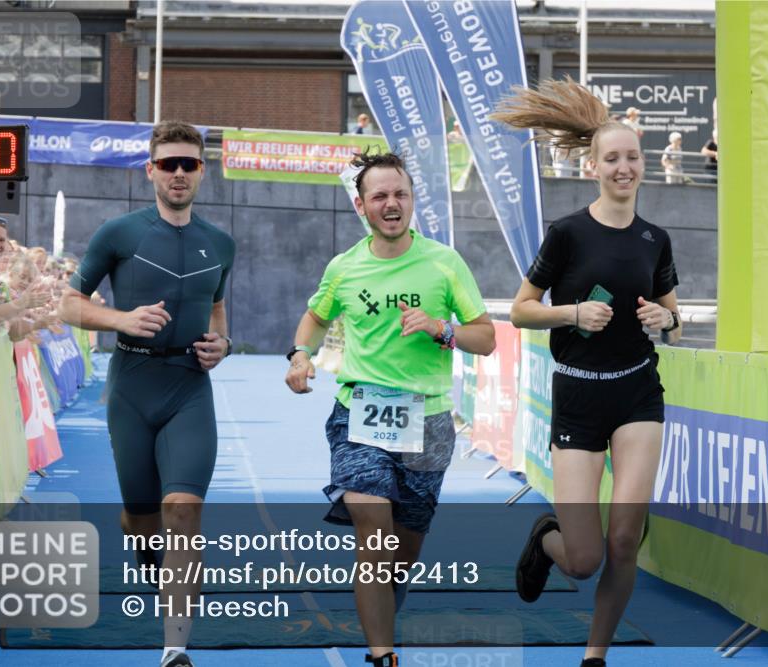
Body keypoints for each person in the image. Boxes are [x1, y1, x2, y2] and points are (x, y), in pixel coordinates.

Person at [492, 78, 681, 667]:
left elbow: (675, 319)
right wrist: (572, 313)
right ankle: (545, 539)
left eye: (633, 158)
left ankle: (594, 656)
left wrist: (666, 320)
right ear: (592, 167)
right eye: (613, 159)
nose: (624, 168)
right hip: (577, 398)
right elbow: (520, 310)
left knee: (623, 540)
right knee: (584, 558)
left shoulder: (655, 239)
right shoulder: (568, 233)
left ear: (642, 164)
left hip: (638, 395)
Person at [285, 150, 495, 667]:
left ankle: (382, 612)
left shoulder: (444, 263)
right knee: (373, 528)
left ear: (412, 200)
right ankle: (383, 655)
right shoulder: (345, 267)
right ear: (361, 206)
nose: (391, 203)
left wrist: (441, 329)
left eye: (400, 193)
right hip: (360, 413)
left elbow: (486, 338)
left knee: (401, 555)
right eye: (379, 195)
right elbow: (315, 318)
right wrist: (300, 355)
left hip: (429, 422)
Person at [58, 120, 236, 667]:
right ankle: (145, 546)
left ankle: (174, 649)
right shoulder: (119, 233)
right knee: (143, 519)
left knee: (182, 510)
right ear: (150, 171)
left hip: (189, 388)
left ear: (202, 171)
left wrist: (223, 343)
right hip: (132, 388)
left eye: (189, 164)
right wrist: (121, 319)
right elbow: (67, 303)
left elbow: (216, 307)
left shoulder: (220, 243)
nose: (178, 173)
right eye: (168, 164)